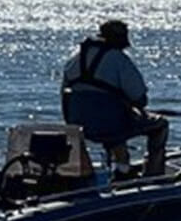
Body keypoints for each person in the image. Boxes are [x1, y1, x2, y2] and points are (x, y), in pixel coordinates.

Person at [61, 19, 168, 177]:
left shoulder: (75, 59)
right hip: (111, 123)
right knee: (160, 125)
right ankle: (154, 174)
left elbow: (65, 94)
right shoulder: (119, 59)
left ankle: (122, 167)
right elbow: (140, 98)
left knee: (110, 119)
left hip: (78, 122)